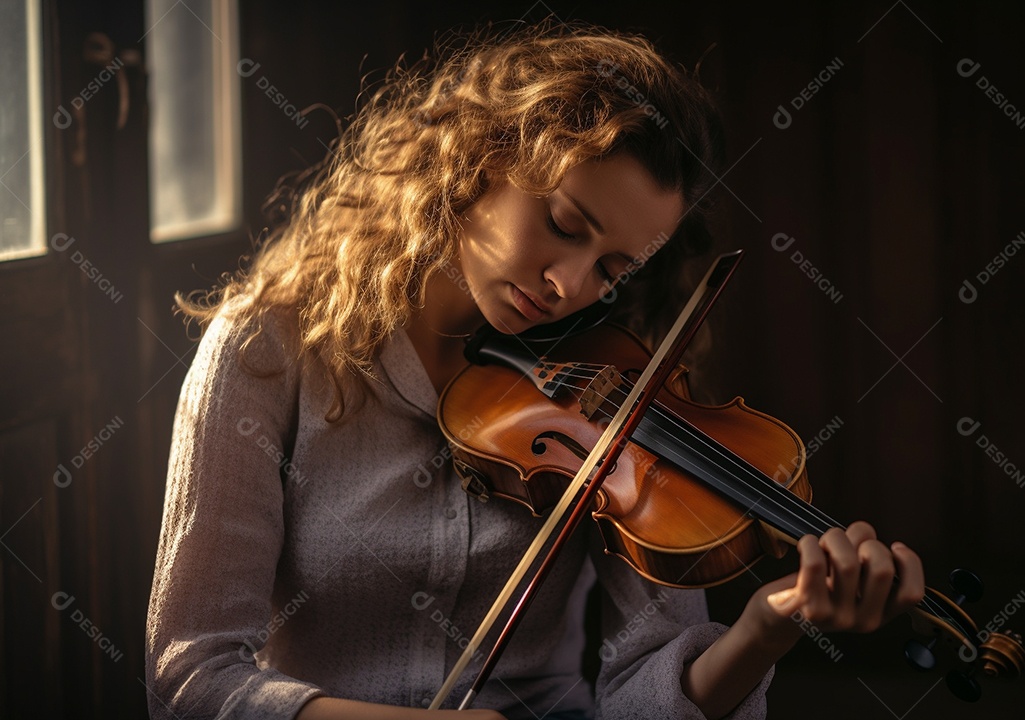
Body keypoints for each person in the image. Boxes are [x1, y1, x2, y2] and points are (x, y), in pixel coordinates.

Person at [145, 19, 924, 720]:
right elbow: (192, 674)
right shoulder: (265, 352)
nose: (570, 286)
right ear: (480, 157)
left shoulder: (612, 386)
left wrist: (759, 632)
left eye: (612, 269)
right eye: (562, 225)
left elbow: (639, 696)